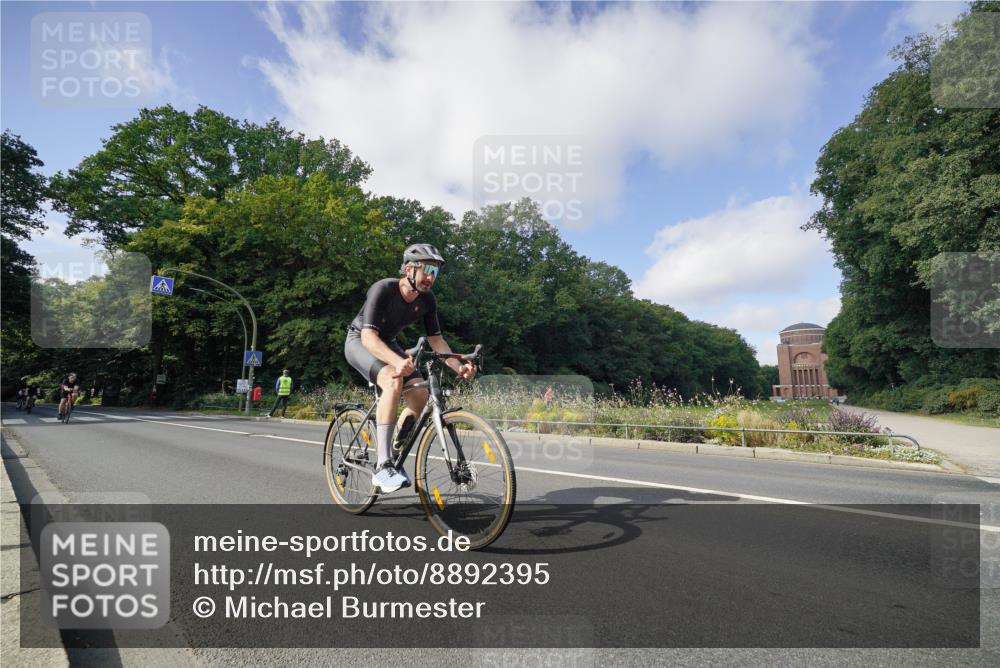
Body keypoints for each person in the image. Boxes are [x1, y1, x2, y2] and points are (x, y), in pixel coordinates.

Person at [344, 243, 476, 494]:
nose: (430, 277)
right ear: (408, 269)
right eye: (426, 269)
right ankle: (382, 466)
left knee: (419, 394)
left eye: (435, 272)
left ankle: (393, 452)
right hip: (359, 340)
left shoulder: (427, 300)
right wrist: (396, 362)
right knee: (393, 380)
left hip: (389, 343)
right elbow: (369, 338)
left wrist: (458, 367)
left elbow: (437, 342)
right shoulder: (383, 289)